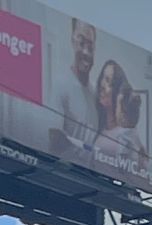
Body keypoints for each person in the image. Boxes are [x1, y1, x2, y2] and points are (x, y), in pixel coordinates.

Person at [89, 55, 150, 183]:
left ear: (118, 93)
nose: (102, 85)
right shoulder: (97, 127)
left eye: (109, 82)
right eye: (103, 79)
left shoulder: (126, 134)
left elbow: (141, 175)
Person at [49, 20, 99, 154]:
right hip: (60, 170)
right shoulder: (60, 86)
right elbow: (53, 138)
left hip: (88, 174)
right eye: (81, 43)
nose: (86, 52)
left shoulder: (95, 95)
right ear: (72, 41)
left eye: (91, 46)